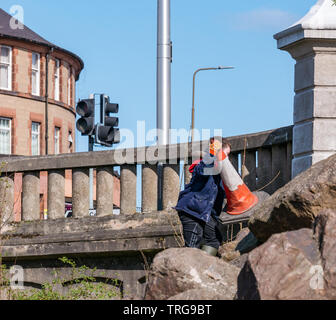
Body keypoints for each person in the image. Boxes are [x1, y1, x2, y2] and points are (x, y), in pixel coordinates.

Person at [174, 137, 231, 256]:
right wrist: (211, 154)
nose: (226, 159)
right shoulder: (203, 165)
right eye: (224, 155)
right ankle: (188, 269)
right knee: (192, 245)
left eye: (227, 156)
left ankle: (203, 268)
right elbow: (202, 170)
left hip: (205, 213)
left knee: (214, 240)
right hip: (192, 210)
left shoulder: (220, 174)